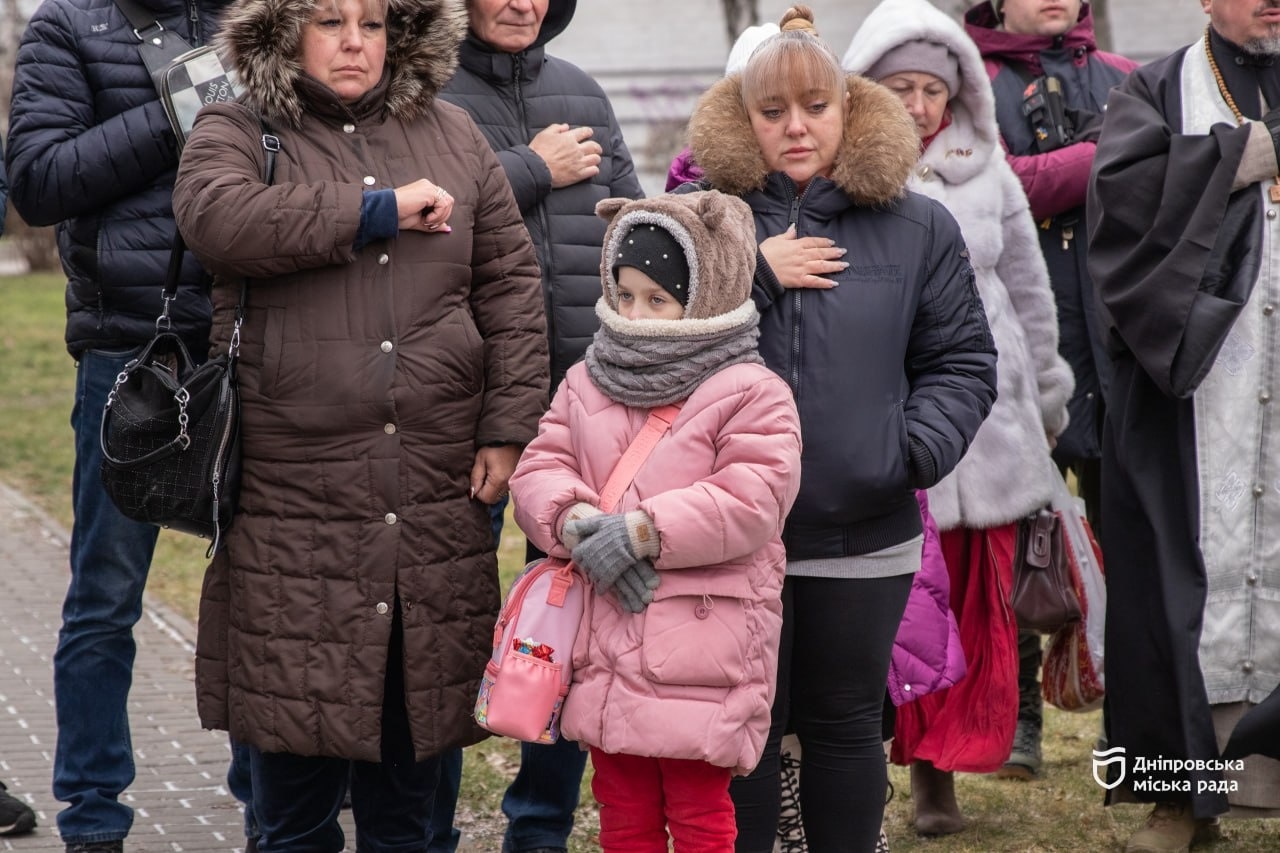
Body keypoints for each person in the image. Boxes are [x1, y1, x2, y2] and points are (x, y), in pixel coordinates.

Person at [171, 0, 548, 846]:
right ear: (282, 31)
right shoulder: (237, 126)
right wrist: (373, 208)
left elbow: (512, 292)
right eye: (329, 20)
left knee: (409, 811)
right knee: (293, 815)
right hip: (292, 506)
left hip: (432, 499)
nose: (353, 42)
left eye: (371, 23)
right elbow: (215, 219)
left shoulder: (454, 134)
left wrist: (507, 424)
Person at [681, 6, 999, 850]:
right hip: (729, 535)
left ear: (849, 111)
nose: (795, 128)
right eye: (773, 109)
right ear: (742, 117)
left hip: (864, 529)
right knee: (744, 733)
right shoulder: (700, 218)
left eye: (815, 108)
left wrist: (907, 451)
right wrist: (753, 273)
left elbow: (962, 361)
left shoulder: (918, 223)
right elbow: (645, 352)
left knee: (846, 724)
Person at [4, 0, 248, 847]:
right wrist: (180, 110)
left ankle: (269, 778)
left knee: (267, 576)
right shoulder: (70, 26)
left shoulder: (254, 17)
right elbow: (36, 182)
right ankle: (93, 814)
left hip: (253, 335)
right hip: (128, 351)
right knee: (107, 598)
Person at [509, 189, 802, 852]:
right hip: (606, 644)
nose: (637, 312)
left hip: (703, 645)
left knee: (699, 810)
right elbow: (539, 465)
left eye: (657, 298)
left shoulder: (750, 391)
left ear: (702, 296)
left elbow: (753, 497)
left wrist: (642, 531)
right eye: (626, 292)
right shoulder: (590, 379)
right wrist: (577, 520)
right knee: (623, 806)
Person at [845, 0, 1074, 837]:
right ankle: (904, 767)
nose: (916, 105)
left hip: (998, 424)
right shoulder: (853, 177)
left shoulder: (989, 170)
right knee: (910, 611)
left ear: (955, 96)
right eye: (898, 86)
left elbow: (1028, 287)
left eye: (930, 90)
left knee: (980, 609)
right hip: (905, 427)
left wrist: (1047, 389)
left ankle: (953, 764)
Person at [436, 2, 643, 851]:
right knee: (446, 625)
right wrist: (530, 167)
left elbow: (640, 238)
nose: (520, 2)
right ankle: (420, 822)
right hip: (461, 409)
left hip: (575, 414)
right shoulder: (426, 95)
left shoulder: (584, 94)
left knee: (568, 625)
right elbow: (423, 220)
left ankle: (539, 825)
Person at [1087, 0, 1280, 849]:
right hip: (1197, 395)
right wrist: (1234, 160)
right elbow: (1121, 208)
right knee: (1177, 586)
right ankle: (1180, 796)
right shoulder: (1161, 90)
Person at [962, 0, 1137, 781]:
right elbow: (1003, 187)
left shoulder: (1126, 79)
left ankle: (1131, 721)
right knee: (1016, 555)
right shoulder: (969, 82)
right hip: (1016, 357)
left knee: (1132, 543)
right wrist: (1106, 155)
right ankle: (1019, 725)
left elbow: (1158, 183)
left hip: (1121, 347)